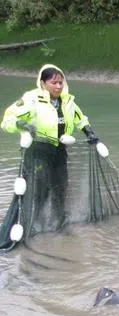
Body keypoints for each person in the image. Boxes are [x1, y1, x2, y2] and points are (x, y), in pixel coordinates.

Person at [1, 64, 99, 232]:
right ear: (43, 83)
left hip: (59, 151)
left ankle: (58, 222)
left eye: (61, 82)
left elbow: (80, 119)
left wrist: (89, 132)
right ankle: (33, 224)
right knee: (40, 190)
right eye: (54, 83)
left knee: (60, 187)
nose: (58, 86)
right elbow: (7, 121)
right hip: (38, 152)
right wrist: (23, 124)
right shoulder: (32, 100)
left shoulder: (67, 101)